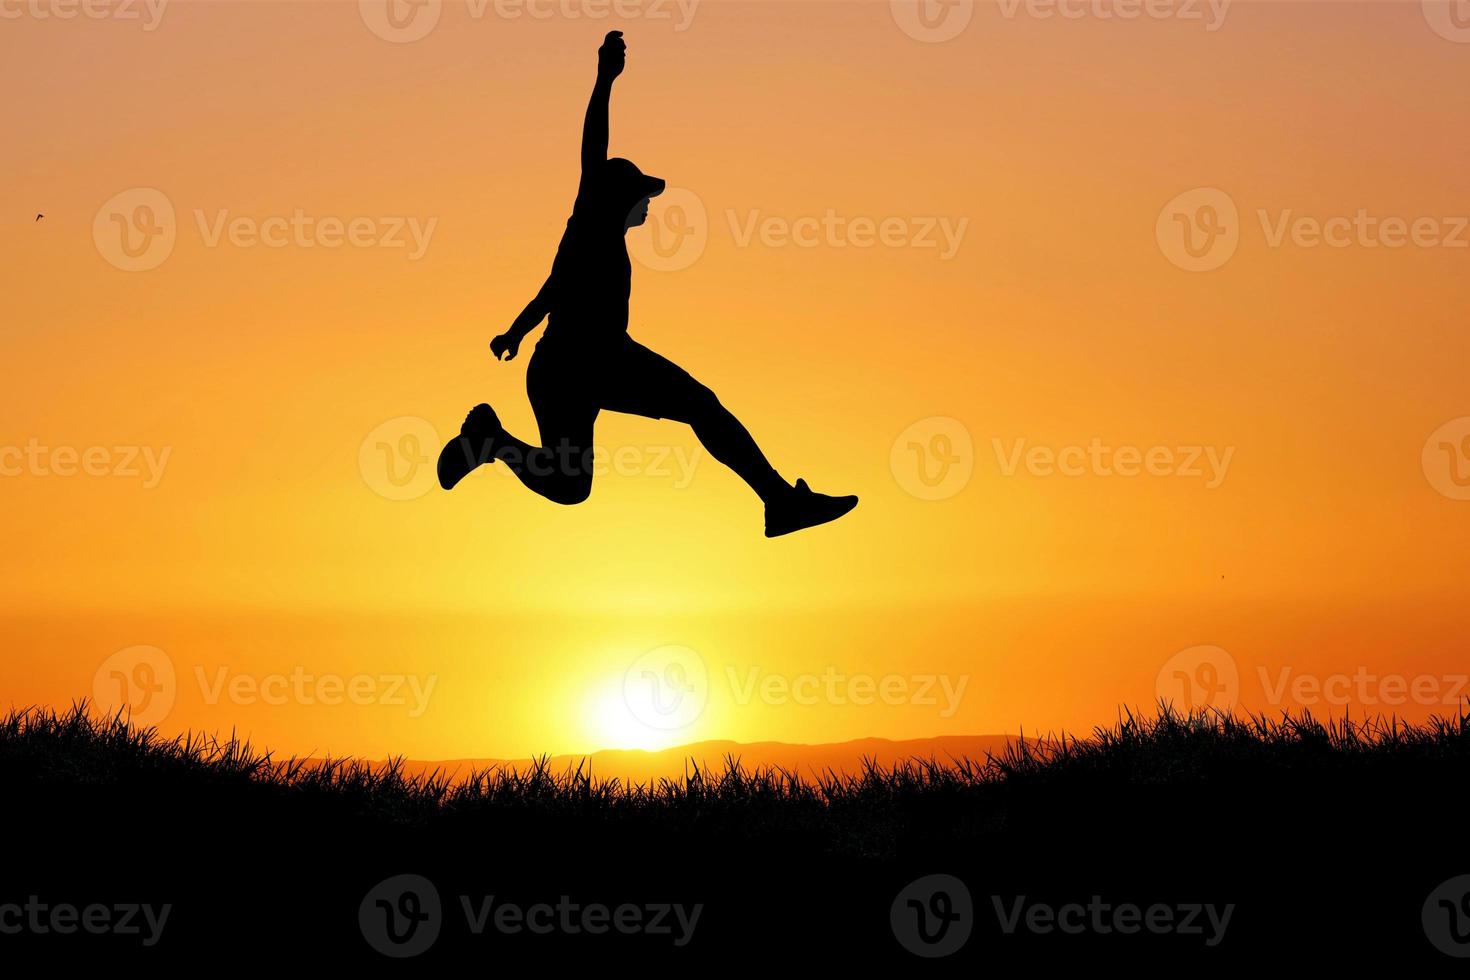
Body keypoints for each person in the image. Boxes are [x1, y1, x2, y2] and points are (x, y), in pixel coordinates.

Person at [438, 31, 857, 538]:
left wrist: (515, 332)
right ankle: (779, 502)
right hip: (588, 362)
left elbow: (553, 288)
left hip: (564, 369)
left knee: (572, 486)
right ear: (617, 198)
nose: (649, 204)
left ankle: (493, 442)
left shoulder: (596, 240)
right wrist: (604, 80)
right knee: (700, 406)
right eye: (641, 195)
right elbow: (593, 150)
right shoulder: (592, 217)